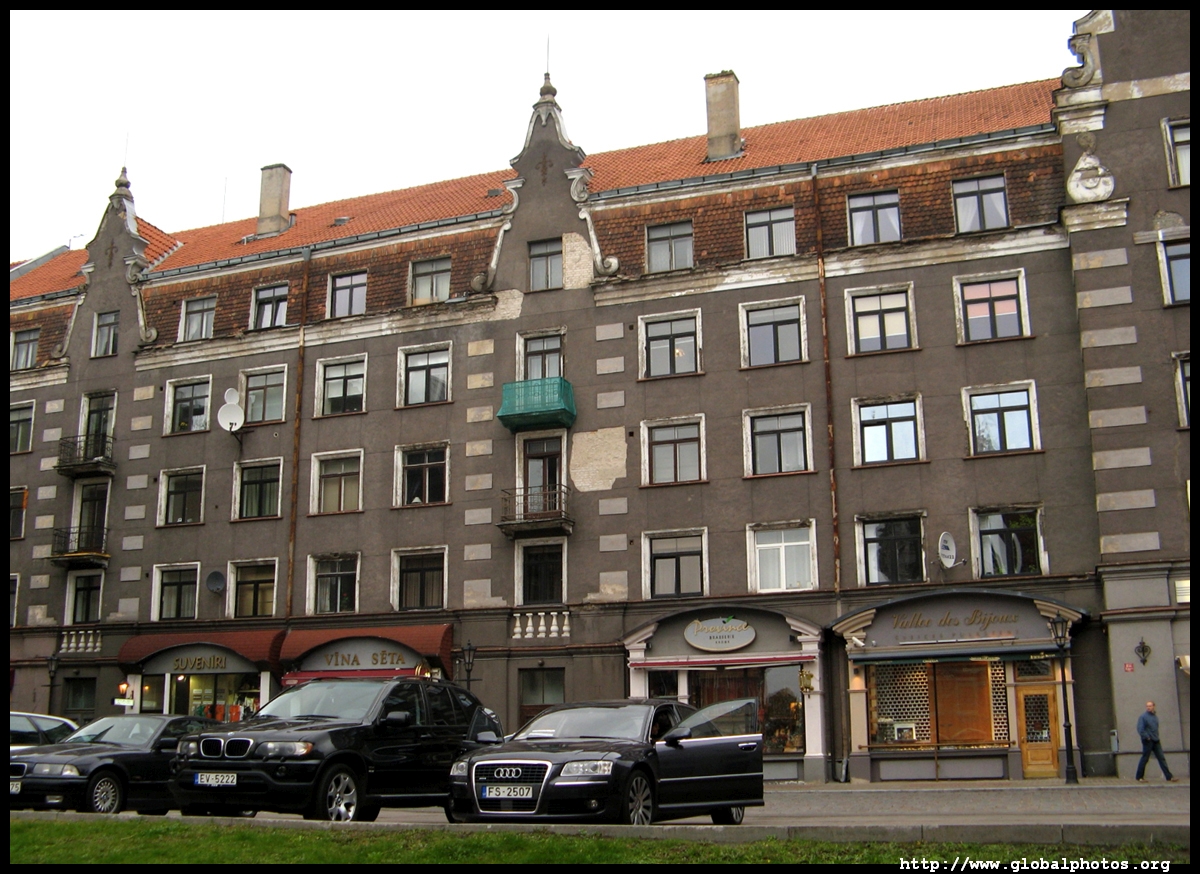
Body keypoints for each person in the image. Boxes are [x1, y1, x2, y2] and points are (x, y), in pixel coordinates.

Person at [1134, 701, 1178, 782]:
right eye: (1147, 706)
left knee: (1161, 758)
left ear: (1154, 706)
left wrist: (1155, 737)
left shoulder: (1154, 717)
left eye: (1150, 706)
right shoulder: (1143, 717)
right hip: (1148, 741)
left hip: (1156, 740)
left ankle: (1169, 777)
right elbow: (1140, 729)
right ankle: (1139, 777)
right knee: (1145, 758)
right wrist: (1147, 737)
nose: (1148, 707)